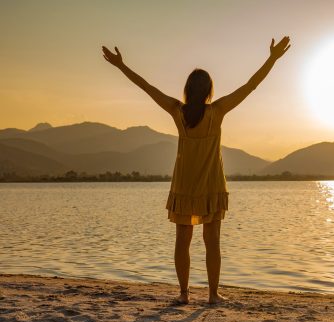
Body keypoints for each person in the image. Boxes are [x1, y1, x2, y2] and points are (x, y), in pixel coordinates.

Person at [101, 36, 291, 305]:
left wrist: (121, 66)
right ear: (209, 91)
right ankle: (213, 295)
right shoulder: (218, 110)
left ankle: (183, 294)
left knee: (183, 241)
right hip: (212, 184)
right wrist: (272, 58)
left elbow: (146, 87)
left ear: (188, 90)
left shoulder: (177, 111)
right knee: (212, 241)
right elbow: (251, 86)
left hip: (185, 185)